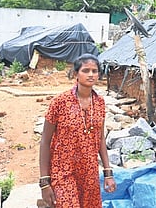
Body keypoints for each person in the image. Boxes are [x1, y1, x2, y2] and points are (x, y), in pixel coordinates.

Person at [39, 54, 116, 207]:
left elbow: (100, 139)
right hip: (63, 170)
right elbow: (45, 141)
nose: (91, 75)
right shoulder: (60, 102)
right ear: (76, 74)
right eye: (85, 70)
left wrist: (108, 173)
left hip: (89, 171)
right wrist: (44, 182)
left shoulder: (99, 103)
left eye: (94, 71)